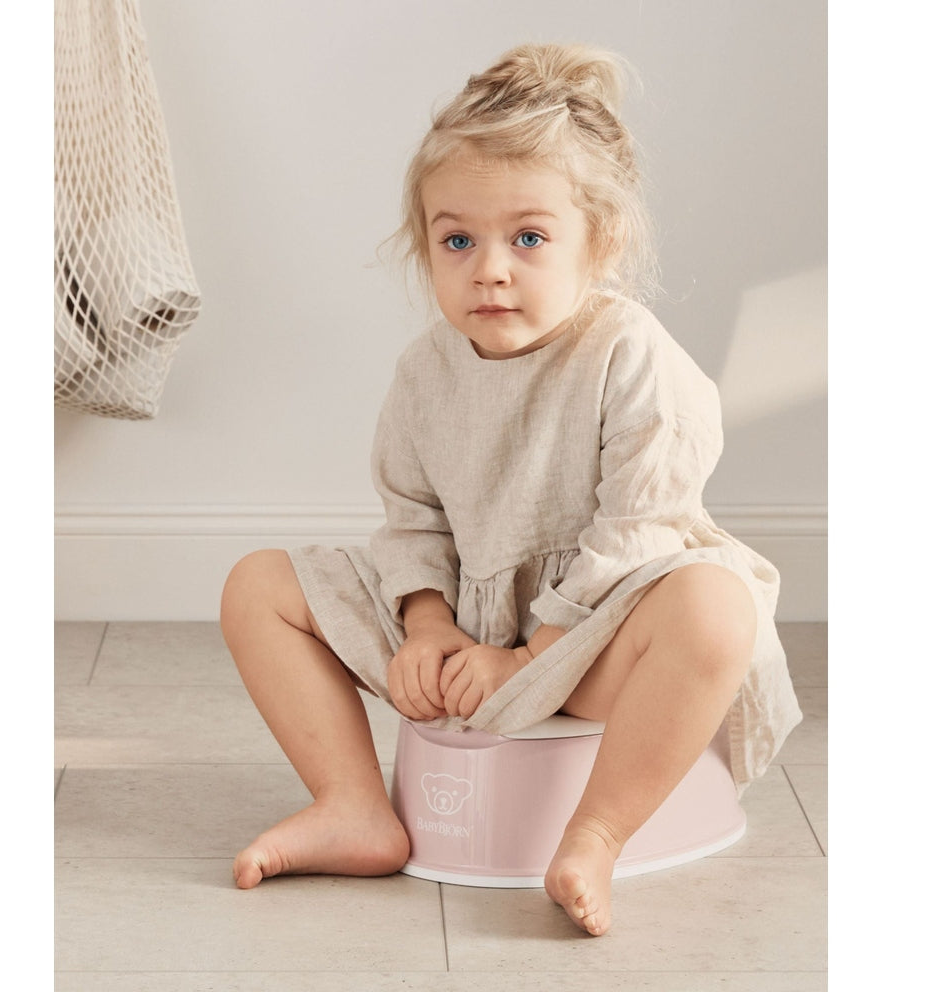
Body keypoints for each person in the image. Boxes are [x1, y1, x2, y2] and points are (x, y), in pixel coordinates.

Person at [220, 42, 802, 937]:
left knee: (715, 610)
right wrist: (427, 624)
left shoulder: (628, 355)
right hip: (470, 634)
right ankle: (353, 803)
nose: (489, 267)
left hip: (594, 644)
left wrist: (533, 657)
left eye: (528, 238)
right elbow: (412, 518)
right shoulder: (426, 372)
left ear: (598, 242)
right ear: (426, 248)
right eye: (458, 240)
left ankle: (596, 833)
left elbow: (638, 534)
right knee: (258, 585)